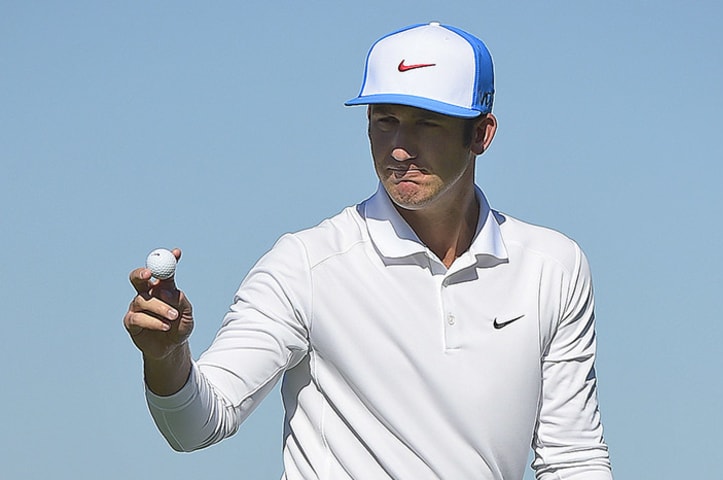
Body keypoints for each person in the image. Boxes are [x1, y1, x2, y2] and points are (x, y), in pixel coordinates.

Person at [124, 22, 612, 479]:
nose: (400, 148)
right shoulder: (304, 264)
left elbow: (574, 458)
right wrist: (166, 356)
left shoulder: (554, 267)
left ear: (481, 134)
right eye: (385, 121)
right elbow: (197, 426)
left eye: (428, 124)